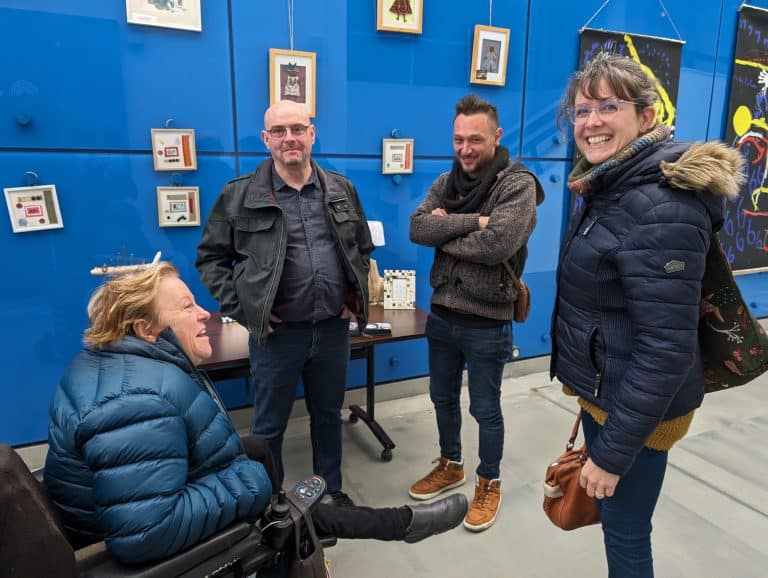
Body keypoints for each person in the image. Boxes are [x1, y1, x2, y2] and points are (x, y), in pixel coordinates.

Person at [43, 264, 468, 567]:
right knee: (281, 501)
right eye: (188, 307)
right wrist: (248, 483)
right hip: (163, 543)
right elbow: (146, 532)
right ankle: (401, 524)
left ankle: (398, 523)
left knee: (269, 464)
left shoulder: (114, 367)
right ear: (144, 329)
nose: (204, 314)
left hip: (164, 490)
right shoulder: (132, 403)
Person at [551, 52, 744, 577]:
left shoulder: (663, 205)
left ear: (647, 115)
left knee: (628, 538)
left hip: (638, 413)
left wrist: (611, 455)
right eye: (581, 110)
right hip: (612, 393)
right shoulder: (612, 183)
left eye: (607, 106)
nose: (591, 122)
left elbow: (664, 350)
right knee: (621, 530)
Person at [196, 100, 374, 508]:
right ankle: (270, 500)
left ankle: (330, 492)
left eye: (297, 128)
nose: (289, 138)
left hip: (332, 331)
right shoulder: (239, 195)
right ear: (266, 139)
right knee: (269, 426)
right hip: (277, 337)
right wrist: (244, 309)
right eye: (278, 131)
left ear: (312, 133)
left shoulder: (341, 190)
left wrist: (352, 297)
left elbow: (362, 248)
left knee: (328, 417)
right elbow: (210, 259)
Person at [408, 94, 544, 532]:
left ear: (496, 136)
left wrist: (445, 229)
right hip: (443, 316)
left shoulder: (517, 184)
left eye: (475, 140)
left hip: (487, 322)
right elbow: (416, 227)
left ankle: (489, 479)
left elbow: (499, 245)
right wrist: (474, 222)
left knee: (485, 408)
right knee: (441, 397)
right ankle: (452, 463)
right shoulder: (448, 179)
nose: (465, 149)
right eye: (458, 140)